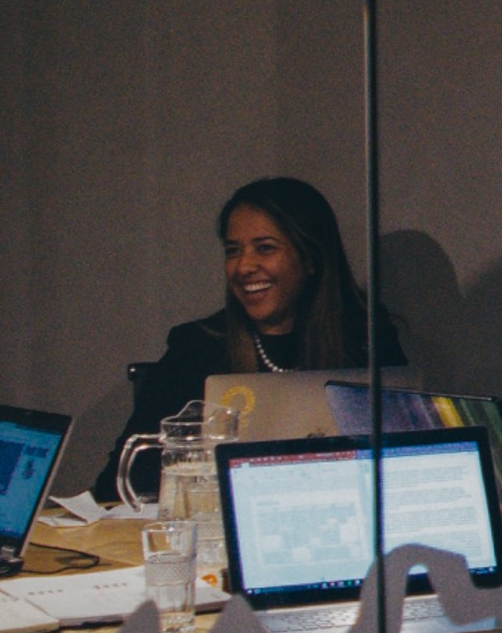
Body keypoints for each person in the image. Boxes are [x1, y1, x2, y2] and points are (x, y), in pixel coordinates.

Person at [109, 176, 404, 494]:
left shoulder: (366, 340)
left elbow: (405, 467)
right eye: (233, 251)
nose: (244, 266)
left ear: (310, 259)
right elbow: (117, 484)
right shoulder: (197, 347)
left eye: (265, 248)